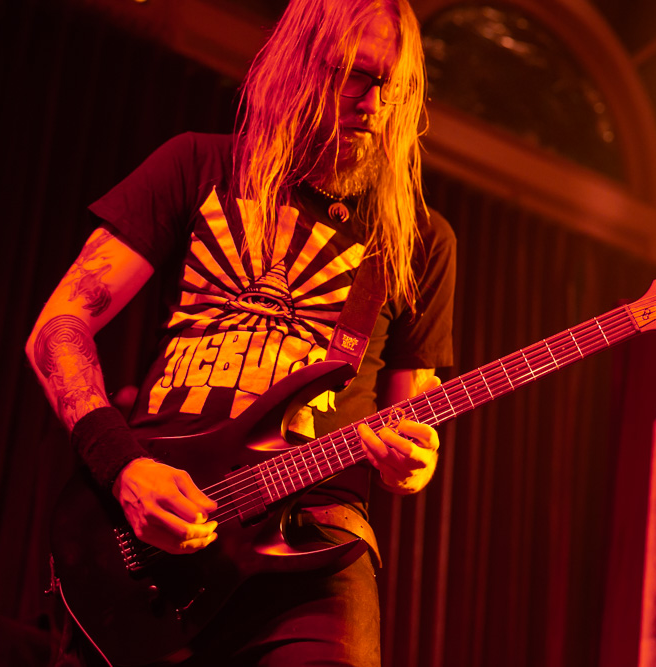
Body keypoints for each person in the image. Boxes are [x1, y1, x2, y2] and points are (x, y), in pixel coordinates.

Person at [26, 0, 455, 664]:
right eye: (356, 75)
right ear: (299, 67)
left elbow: (411, 419)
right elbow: (58, 325)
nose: (375, 104)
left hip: (317, 545)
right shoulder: (197, 165)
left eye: (393, 87)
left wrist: (414, 465)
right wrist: (124, 467)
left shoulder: (417, 240)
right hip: (158, 523)